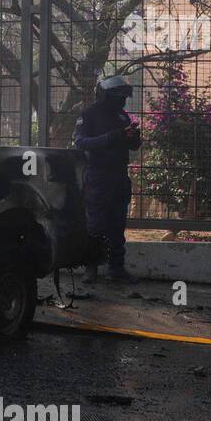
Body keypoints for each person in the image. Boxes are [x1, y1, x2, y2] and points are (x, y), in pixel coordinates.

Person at [74, 75, 142, 283]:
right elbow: (81, 142)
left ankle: (116, 269)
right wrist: (113, 137)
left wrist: (133, 137)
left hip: (119, 177)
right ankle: (91, 268)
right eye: (118, 97)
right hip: (98, 176)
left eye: (123, 97)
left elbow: (134, 146)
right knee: (95, 225)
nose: (122, 101)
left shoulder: (122, 117)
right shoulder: (89, 114)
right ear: (105, 96)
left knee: (117, 224)